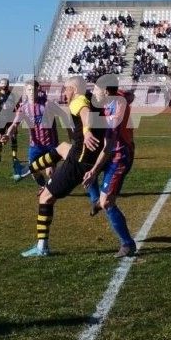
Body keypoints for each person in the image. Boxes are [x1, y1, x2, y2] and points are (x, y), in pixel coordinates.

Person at [20, 75, 103, 258]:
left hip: (80, 161)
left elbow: (85, 114)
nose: (64, 92)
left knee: (45, 197)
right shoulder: (91, 98)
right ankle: (26, 171)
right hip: (87, 154)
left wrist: (87, 132)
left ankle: (42, 247)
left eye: (66, 88)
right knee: (61, 148)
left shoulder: (78, 100)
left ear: (73, 89)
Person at [82, 75, 137, 258]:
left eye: (96, 89)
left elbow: (107, 148)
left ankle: (128, 244)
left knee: (108, 202)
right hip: (112, 151)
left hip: (119, 155)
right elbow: (127, 95)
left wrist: (94, 170)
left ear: (105, 91)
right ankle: (95, 199)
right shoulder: (113, 97)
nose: (93, 92)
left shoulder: (116, 112)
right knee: (84, 165)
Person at [6, 79, 60, 188]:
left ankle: (51, 189)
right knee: (33, 172)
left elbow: (64, 115)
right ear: (26, 91)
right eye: (29, 90)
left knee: (50, 172)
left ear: (38, 90)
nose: (31, 92)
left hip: (50, 144)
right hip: (35, 146)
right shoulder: (24, 108)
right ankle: (44, 187)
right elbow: (14, 124)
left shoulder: (47, 104)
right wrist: (8, 135)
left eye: (33, 90)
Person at [0, 79, 17, 162]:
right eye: (2, 84)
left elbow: (17, 107)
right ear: (0, 85)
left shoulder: (13, 95)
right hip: (0, 119)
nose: (4, 85)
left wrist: (18, 118)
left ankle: (14, 157)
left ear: (8, 85)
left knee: (13, 137)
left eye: (5, 84)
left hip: (11, 119)